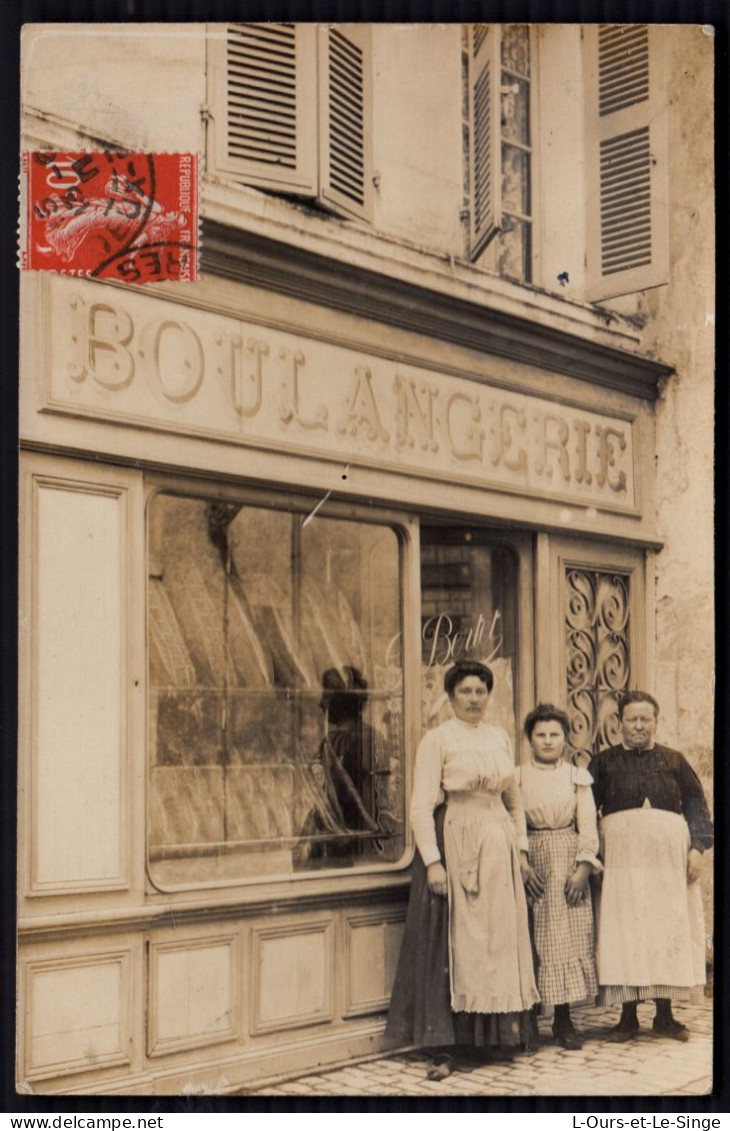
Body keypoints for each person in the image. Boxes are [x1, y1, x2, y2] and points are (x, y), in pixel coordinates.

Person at [385, 661, 539, 1078]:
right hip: (459, 841)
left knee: (498, 941)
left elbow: (514, 798)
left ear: (490, 696)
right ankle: (452, 1044)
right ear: (451, 696)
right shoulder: (437, 740)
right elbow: (420, 806)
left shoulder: (499, 737)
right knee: (463, 941)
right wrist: (433, 862)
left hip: (499, 844)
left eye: (480, 692)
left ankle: (495, 1038)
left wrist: (521, 851)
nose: (474, 699)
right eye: (466, 692)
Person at [590, 691, 713, 1042]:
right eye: (632, 719)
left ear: (656, 722)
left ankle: (665, 1016)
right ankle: (627, 1017)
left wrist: (697, 848)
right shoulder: (603, 763)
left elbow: (696, 806)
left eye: (646, 719)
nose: (639, 725)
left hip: (667, 864)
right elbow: (585, 810)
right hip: (622, 863)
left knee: (665, 928)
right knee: (626, 928)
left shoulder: (674, 760)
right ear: (620, 723)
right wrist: (592, 853)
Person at [517, 704, 601, 1050]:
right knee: (532, 936)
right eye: (541, 735)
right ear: (529, 739)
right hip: (532, 858)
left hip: (567, 857)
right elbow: (513, 821)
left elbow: (588, 824)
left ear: (566, 739)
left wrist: (583, 867)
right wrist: (522, 863)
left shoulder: (576, 777)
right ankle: (530, 1023)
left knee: (567, 936)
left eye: (555, 734)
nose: (548, 741)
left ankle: (563, 1020)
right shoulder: (517, 777)